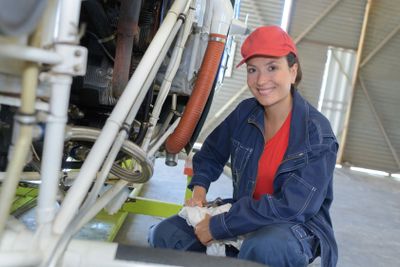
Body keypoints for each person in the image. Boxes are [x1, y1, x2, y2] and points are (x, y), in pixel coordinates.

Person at [148, 25, 338, 267]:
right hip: (245, 216)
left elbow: (293, 206)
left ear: (292, 71)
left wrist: (221, 226)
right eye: (252, 70)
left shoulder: (317, 134)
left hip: (291, 227)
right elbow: (211, 153)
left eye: (272, 68)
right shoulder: (245, 113)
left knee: (266, 247)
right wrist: (199, 190)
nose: (261, 80)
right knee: (165, 235)